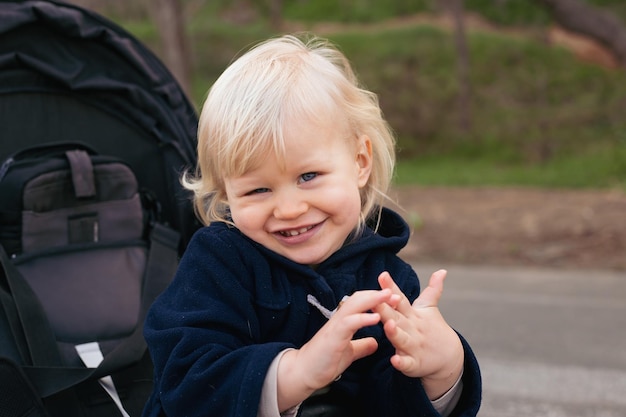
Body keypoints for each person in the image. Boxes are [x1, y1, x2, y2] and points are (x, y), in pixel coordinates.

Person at [142, 34, 481, 417]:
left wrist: (442, 371)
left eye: (309, 176)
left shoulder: (386, 278)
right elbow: (183, 379)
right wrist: (296, 372)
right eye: (258, 189)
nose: (288, 208)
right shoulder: (218, 263)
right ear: (226, 196)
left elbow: (391, 404)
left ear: (359, 162)